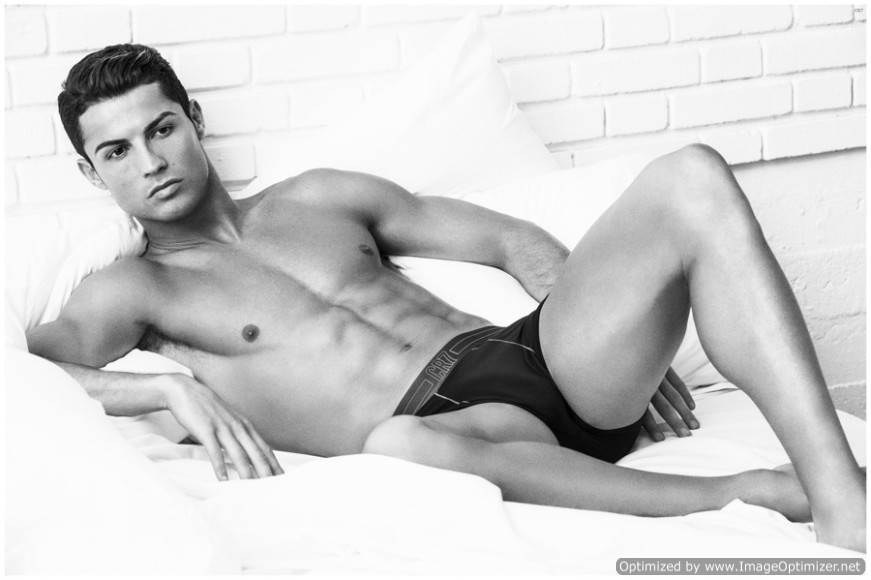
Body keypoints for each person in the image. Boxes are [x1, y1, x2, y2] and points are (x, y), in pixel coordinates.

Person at [26, 44, 864, 552]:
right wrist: (164, 390)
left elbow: (510, 239)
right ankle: (747, 491)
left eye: (161, 129)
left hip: (538, 357)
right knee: (397, 446)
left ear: (194, 118)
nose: (150, 162)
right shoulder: (137, 288)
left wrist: (615, 332)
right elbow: (23, 373)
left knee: (690, 175)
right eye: (118, 151)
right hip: (453, 434)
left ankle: (839, 500)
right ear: (91, 173)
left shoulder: (318, 195)